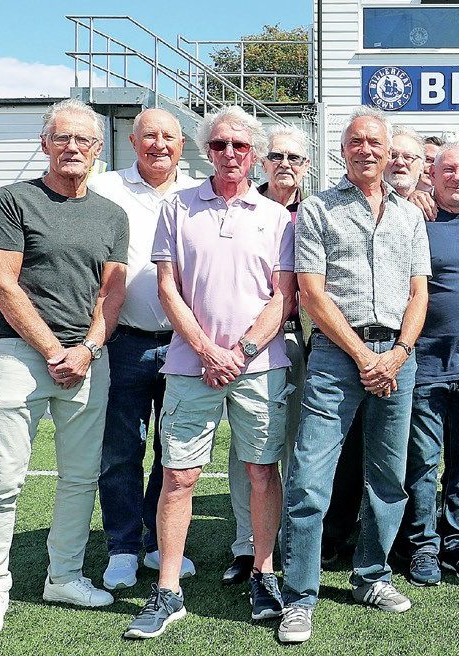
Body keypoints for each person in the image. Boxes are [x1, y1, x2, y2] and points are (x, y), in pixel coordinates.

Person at [123, 107, 296, 639]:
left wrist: (239, 350)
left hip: (259, 364)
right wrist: (204, 348)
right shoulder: (177, 208)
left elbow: (284, 295)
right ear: (207, 150)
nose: (230, 154)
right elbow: (168, 288)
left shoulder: (277, 217)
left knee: (263, 472)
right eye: (220, 145)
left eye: (240, 147)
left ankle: (264, 576)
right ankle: (168, 590)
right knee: (178, 476)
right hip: (189, 364)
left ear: (255, 155)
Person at [0, 99, 128, 637]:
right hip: (19, 355)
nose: (73, 148)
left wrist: (86, 350)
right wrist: (56, 351)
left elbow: (112, 292)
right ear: (45, 144)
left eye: (83, 140)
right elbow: (1, 283)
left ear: (98, 149)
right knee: (2, 479)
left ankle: (65, 575)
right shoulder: (13, 201)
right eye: (63, 138)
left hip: (87, 360)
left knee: (80, 479)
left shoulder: (111, 214)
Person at [278, 107, 431, 643]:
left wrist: (398, 353)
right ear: (342, 150)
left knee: (388, 478)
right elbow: (312, 295)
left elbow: (419, 292)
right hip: (336, 358)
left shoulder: (411, 217)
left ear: (389, 152)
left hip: (398, 356)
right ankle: (299, 595)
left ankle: (371, 575)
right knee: (308, 480)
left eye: (375, 143)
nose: (366, 150)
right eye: (356, 142)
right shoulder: (318, 210)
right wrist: (364, 357)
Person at [89, 108, 200, 592]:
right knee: (119, 450)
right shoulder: (105, 188)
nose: (160, 144)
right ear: (132, 142)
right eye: (149, 136)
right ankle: (122, 547)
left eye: (169, 136)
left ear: (183, 144)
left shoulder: (200, 192)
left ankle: (159, 544)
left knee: (172, 454)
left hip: (183, 346)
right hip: (125, 341)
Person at [218, 123, 313, 586]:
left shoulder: (316, 212)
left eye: (295, 158)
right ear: (262, 161)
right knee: (248, 453)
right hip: (242, 349)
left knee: (295, 446)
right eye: (277, 157)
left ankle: (288, 546)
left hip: (299, 343)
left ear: (307, 165)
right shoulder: (240, 206)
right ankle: (247, 546)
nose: (285, 166)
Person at [399, 144, 459, 584]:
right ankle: (422, 544)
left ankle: (457, 539)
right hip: (427, 366)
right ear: (431, 175)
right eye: (449, 170)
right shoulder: (415, 217)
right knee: (422, 462)